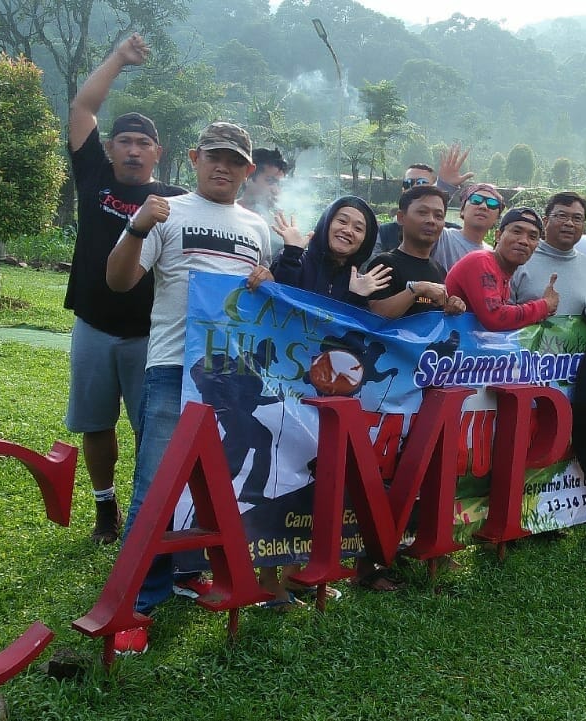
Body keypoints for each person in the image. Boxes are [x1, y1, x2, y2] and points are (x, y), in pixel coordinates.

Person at [104, 120, 272, 654]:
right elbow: (119, 282)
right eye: (213, 156)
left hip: (233, 378)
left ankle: (184, 571)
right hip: (174, 369)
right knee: (155, 488)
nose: (222, 167)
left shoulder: (257, 229)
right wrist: (135, 228)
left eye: (234, 160)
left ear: (248, 171)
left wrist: (267, 284)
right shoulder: (165, 210)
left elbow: (257, 308)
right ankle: (134, 603)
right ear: (195, 157)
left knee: (213, 483)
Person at [64, 33, 186, 545]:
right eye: (125, 142)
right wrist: (118, 57)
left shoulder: (175, 200)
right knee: (95, 423)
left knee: (150, 430)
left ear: (158, 153)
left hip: (149, 337)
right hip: (93, 325)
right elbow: (83, 106)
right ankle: (104, 506)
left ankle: (148, 511)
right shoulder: (94, 175)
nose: (133, 150)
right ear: (110, 148)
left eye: (143, 144)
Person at [445, 207, 559, 331]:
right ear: (498, 236)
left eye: (532, 237)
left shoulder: (503, 274)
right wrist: (544, 306)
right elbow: (496, 318)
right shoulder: (481, 261)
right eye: (516, 231)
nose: (524, 241)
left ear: (536, 246)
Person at [510, 191, 586, 321]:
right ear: (545, 221)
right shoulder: (521, 258)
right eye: (562, 216)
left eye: (577, 218)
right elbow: (502, 312)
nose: (569, 223)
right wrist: (541, 308)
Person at [366, 185, 467, 319]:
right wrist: (417, 290)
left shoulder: (439, 269)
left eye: (438, 216)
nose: (431, 220)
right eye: (422, 212)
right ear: (401, 217)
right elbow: (375, 313)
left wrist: (453, 305)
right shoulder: (384, 264)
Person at [266, 196, 391, 303]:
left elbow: (352, 329)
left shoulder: (359, 283)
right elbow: (277, 304)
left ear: (366, 241)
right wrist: (291, 254)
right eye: (342, 221)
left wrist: (357, 297)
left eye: (358, 229)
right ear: (326, 224)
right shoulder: (296, 261)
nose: (348, 231)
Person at [376, 145, 473, 251]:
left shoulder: (449, 234)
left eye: (422, 183)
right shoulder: (384, 232)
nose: (415, 187)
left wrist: (445, 188)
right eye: (408, 183)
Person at [431, 182, 506, 270]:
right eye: (476, 199)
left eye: (492, 203)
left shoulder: (492, 255)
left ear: (497, 218)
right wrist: (446, 184)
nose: (483, 206)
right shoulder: (442, 237)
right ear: (462, 210)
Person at [238, 148, 289, 258]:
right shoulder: (227, 215)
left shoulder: (278, 225)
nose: (276, 190)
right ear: (248, 178)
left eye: (280, 185)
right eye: (270, 181)